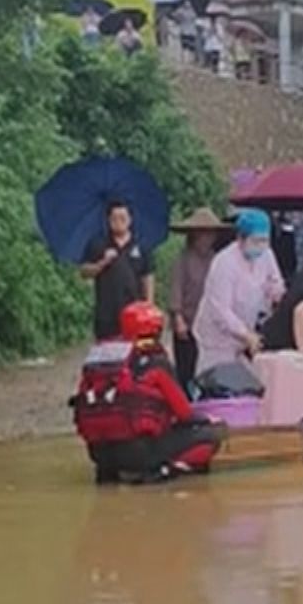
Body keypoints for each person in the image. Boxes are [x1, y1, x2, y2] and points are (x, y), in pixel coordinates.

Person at [74, 301, 225, 484]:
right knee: (212, 436)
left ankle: (110, 474)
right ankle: (163, 471)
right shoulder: (156, 362)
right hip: (139, 452)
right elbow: (184, 413)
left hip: (98, 453)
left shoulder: (101, 361)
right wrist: (207, 419)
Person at [193, 209, 285, 375]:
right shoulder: (224, 263)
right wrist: (246, 335)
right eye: (255, 241)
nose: (260, 246)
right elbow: (221, 310)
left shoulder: (266, 255)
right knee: (216, 380)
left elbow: (275, 282)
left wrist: (277, 296)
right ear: (241, 238)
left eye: (265, 240)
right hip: (217, 338)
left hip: (245, 332)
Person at [168, 207, 228, 393]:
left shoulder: (217, 260)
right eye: (202, 233)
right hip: (188, 322)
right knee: (187, 370)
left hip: (210, 325)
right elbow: (176, 289)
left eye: (210, 233)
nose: (206, 238)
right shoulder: (183, 259)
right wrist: (178, 318)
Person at [79, 200, 154, 340]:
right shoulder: (98, 244)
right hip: (106, 315)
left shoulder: (141, 246)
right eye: (114, 218)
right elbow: (84, 272)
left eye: (123, 218)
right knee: (108, 357)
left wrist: (149, 306)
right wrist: (102, 263)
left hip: (135, 314)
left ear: (130, 220)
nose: (118, 222)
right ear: (108, 220)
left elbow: (147, 276)